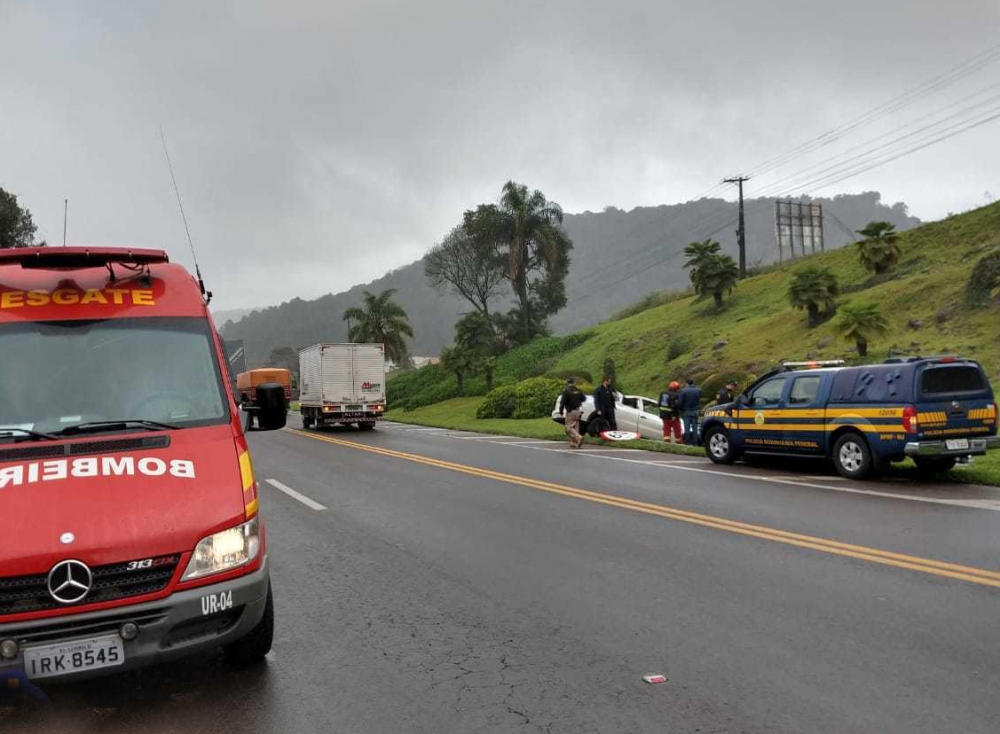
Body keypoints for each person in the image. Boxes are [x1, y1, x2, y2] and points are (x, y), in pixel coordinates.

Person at [559, 377, 586, 448]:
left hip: (570, 411)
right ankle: (574, 443)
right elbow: (584, 399)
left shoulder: (566, 391)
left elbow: (562, 402)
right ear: (574, 383)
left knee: (568, 428)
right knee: (575, 427)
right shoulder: (578, 390)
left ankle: (578, 437)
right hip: (578, 411)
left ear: (568, 383)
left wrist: (561, 411)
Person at [678, 377, 703, 445]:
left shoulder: (683, 391)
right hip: (695, 411)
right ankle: (695, 442)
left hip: (686, 411)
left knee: (687, 427)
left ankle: (687, 442)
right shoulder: (698, 390)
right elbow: (699, 400)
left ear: (686, 383)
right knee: (695, 427)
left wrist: (680, 409)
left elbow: (680, 403)